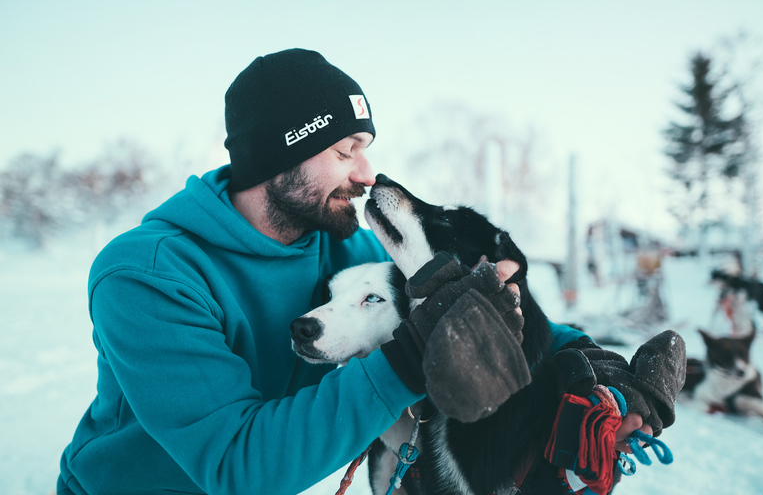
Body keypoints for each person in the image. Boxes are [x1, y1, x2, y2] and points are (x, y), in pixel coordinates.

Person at [57, 48, 678, 495]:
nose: (366, 174)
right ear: (277, 158)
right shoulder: (149, 275)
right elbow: (237, 465)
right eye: (343, 150)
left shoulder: (342, 252)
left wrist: (593, 359)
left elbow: (460, 309)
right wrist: (412, 356)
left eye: (365, 148)